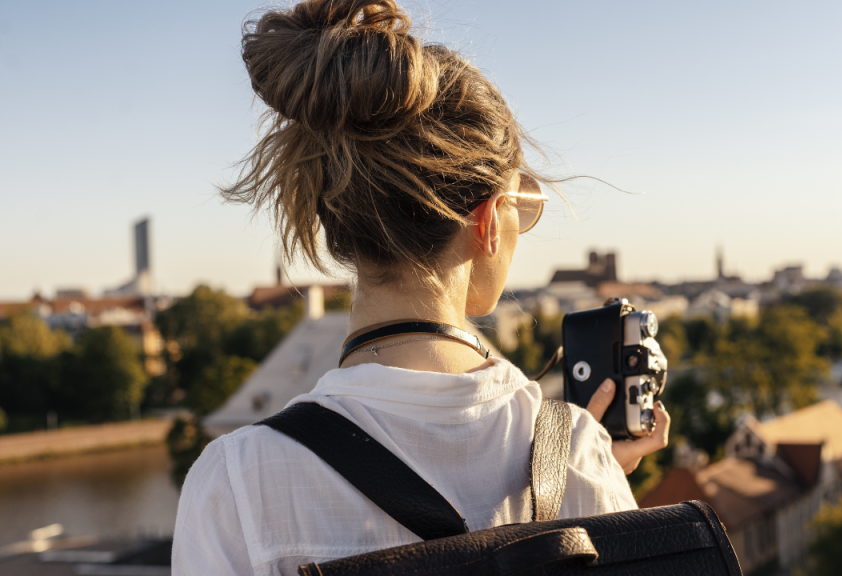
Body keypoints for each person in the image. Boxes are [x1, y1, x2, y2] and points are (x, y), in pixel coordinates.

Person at [171, 0, 670, 574]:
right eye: (521, 207)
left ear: (335, 217)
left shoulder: (236, 482)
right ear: (486, 222)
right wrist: (590, 479)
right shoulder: (578, 453)